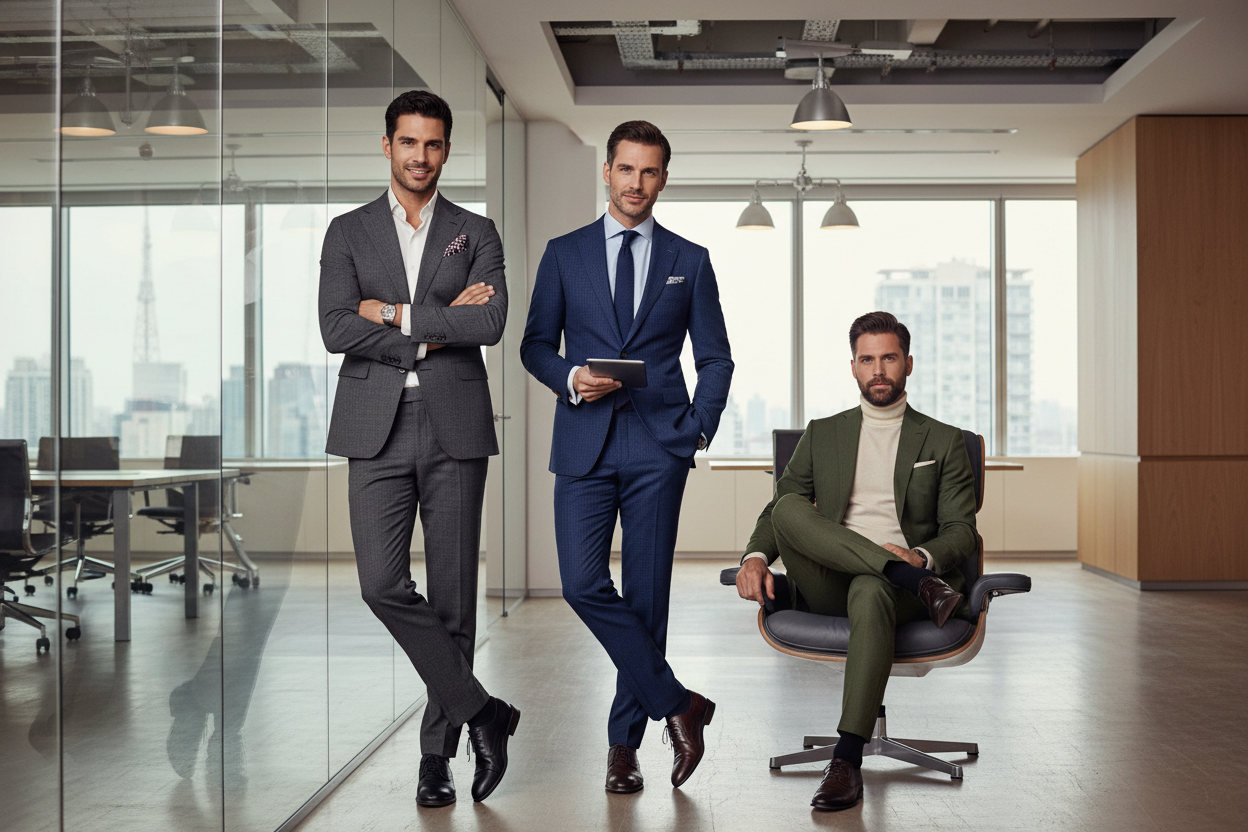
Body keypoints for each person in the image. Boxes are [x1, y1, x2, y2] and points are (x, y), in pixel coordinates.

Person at [318, 89, 519, 808]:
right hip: (374, 425)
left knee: (455, 596)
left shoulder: (475, 230)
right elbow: (336, 328)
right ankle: (484, 713)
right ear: (387, 146)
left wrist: (398, 315)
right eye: (409, 143)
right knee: (381, 583)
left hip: (454, 423)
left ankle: (437, 757)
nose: (421, 157)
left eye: (433, 145)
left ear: (445, 150)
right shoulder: (347, 231)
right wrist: (440, 323)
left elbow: (490, 320)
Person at [520, 120, 733, 794]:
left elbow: (715, 357)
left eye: (650, 172)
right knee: (581, 583)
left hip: (658, 444)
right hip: (583, 439)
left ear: (663, 178)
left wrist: (697, 427)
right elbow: (533, 344)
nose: (636, 183)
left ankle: (623, 746)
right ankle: (680, 705)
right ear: (606, 171)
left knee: (647, 599)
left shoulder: (689, 259)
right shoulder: (563, 253)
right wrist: (570, 379)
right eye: (626, 169)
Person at [735, 311, 976, 812]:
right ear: (853, 367)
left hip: (906, 591)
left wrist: (921, 558)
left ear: (908, 363)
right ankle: (899, 572)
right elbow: (781, 509)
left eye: (888, 358)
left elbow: (961, 532)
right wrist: (756, 556)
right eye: (867, 360)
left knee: (871, 589)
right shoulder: (823, 433)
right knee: (788, 506)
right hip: (830, 579)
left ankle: (846, 760)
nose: (878, 370)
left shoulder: (944, 439)